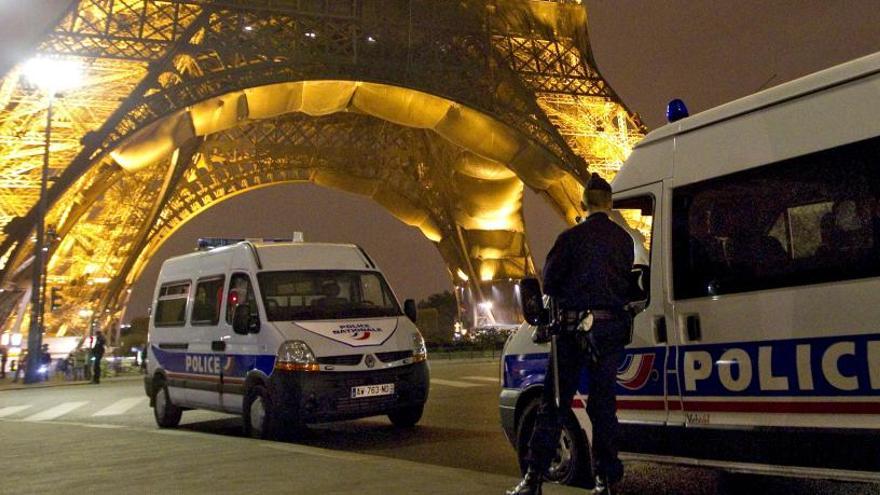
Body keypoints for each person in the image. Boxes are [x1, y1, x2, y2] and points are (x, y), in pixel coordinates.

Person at [507, 173, 635, 495]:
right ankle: (605, 480)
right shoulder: (624, 241)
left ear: (583, 203)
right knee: (604, 407)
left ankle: (533, 479)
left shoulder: (570, 239)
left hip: (570, 333)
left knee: (554, 405)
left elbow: (548, 283)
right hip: (609, 333)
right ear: (610, 203)